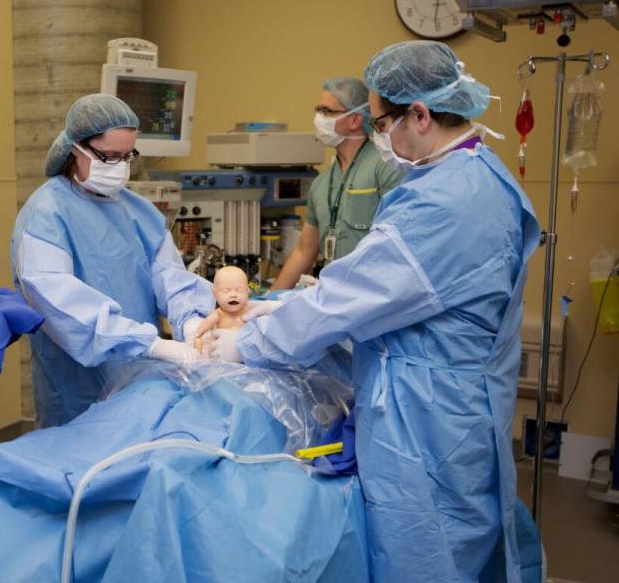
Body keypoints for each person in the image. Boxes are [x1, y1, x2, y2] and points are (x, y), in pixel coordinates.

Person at [210, 41, 540, 582]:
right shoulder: (480, 172)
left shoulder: (444, 201)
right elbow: (391, 288)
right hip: (459, 403)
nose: (379, 135)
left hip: (429, 419)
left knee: (428, 553)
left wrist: (249, 343)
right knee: (463, 541)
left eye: (382, 123)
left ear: (421, 114)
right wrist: (284, 305)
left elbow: (355, 298)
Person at [11, 94, 213, 428]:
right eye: (109, 157)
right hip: (76, 390)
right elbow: (60, 304)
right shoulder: (46, 215)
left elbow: (169, 276)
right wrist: (150, 344)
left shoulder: (138, 211)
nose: (119, 166)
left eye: (127, 156)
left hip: (140, 381)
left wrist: (191, 322)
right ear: (77, 149)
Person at [271, 77, 403, 290]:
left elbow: (398, 242)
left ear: (355, 120)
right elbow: (305, 251)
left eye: (327, 111)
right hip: (334, 292)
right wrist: (269, 299)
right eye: (317, 110)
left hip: (374, 290)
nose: (318, 118)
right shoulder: (322, 183)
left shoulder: (384, 167)